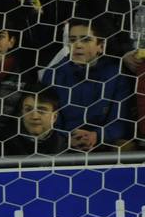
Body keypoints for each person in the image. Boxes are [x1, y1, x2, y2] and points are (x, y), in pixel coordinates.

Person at [40, 16, 135, 151]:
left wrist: (97, 135)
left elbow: (120, 120)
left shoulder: (116, 75)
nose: (78, 45)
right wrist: (67, 138)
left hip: (104, 144)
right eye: (72, 40)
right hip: (61, 145)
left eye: (86, 40)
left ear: (100, 46)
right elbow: (49, 120)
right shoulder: (53, 74)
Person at [2, 85, 69, 155]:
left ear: (54, 117)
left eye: (41, 110)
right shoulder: (6, 142)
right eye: (28, 110)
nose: (34, 117)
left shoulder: (64, 144)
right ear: (21, 113)